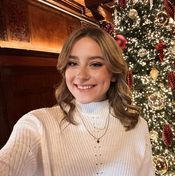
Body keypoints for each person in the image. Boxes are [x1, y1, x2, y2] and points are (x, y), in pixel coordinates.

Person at [0, 26, 154, 176]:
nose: (81, 76)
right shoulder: (37, 124)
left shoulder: (138, 126)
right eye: (73, 63)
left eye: (95, 64)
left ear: (113, 73)